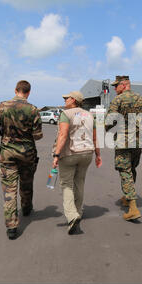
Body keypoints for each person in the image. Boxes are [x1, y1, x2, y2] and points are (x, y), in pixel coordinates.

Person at [0, 80, 43, 240]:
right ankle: (26, 208)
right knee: (26, 183)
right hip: (27, 154)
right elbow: (38, 136)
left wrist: (5, 134)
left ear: (15, 90)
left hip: (7, 154)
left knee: (9, 190)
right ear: (29, 92)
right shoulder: (33, 109)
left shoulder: (2, 107)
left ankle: (12, 227)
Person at [105, 76, 142, 221]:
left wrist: (109, 129)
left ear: (123, 85)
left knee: (125, 171)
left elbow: (110, 121)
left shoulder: (118, 100)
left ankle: (133, 207)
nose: (115, 89)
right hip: (138, 141)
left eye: (116, 86)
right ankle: (127, 197)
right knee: (132, 168)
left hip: (123, 142)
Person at [52, 91, 102, 234]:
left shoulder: (66, 114)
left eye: (66, 98)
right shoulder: (90, 115)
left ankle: (72, 215)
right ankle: (78, 212)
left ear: (73, 100)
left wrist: (56, 155)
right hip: (87, 153)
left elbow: (63, 134)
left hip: (70, 154)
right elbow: (94, 137)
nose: (64, 100)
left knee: (66, 184)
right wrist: (98, 155)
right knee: (79, 182)